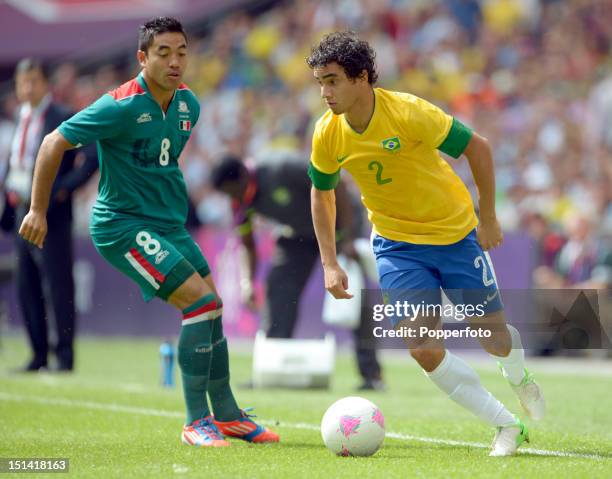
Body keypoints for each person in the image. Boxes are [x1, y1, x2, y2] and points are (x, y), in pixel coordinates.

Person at [18, 17, 278, 447]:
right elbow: (51, 143)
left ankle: (229, 415)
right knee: (200, 304)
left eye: (181, 52)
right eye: (163, 53)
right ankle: (196, 422)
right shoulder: (119, 104)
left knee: (213, 311)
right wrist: (38, 210)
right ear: (142, 57)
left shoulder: (188, 105)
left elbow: (159, 163)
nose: (175, 62)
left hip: (167, 225)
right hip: (121, 225)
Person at [306, 32, 545, 457]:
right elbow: (321, 192)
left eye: (332, 80)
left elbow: (478, 148)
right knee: (421, 345)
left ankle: (519, 377)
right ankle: (506, 424)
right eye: (320, 82)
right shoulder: (328, 133)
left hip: (454, 235)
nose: (324, 93)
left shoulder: (409, 112)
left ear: (361, 78)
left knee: (492, 339)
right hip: (397, 246)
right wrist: (329, 262)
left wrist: (488, 217)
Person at [210, 154, 384, 390]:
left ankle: (371, 375)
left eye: (232, 191)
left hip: (338, 224)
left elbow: (338, 185)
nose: (232, 198)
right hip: (298, 234)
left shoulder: (281, 168)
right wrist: (247, 282)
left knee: (353, 295)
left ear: (241, 177)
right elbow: (248, 243)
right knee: (279, 286)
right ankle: (270, 371)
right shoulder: (239, 202)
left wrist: (349, 236)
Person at [6, 58, 98, 372]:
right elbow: (18, 164)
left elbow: (91, 156)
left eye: (33, 80)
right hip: (22, 209)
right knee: (26, 284)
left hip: (52, 213)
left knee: (57, 285)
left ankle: (64, 356)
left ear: (46, 84)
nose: (27, 88)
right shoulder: (21, 116)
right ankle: (38, 354)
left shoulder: (62, 116)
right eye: (22, 82)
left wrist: (62, 190)